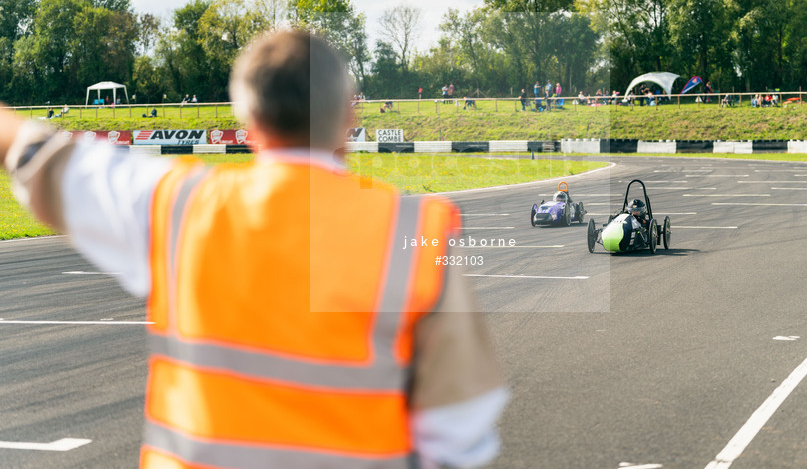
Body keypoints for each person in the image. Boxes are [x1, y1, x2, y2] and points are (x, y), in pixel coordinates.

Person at [0, 30, 508, 469]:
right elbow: (458, 429)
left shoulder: (181, 205)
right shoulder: (415, 230)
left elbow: (35, 152)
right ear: (348, 113)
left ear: (247, 120)